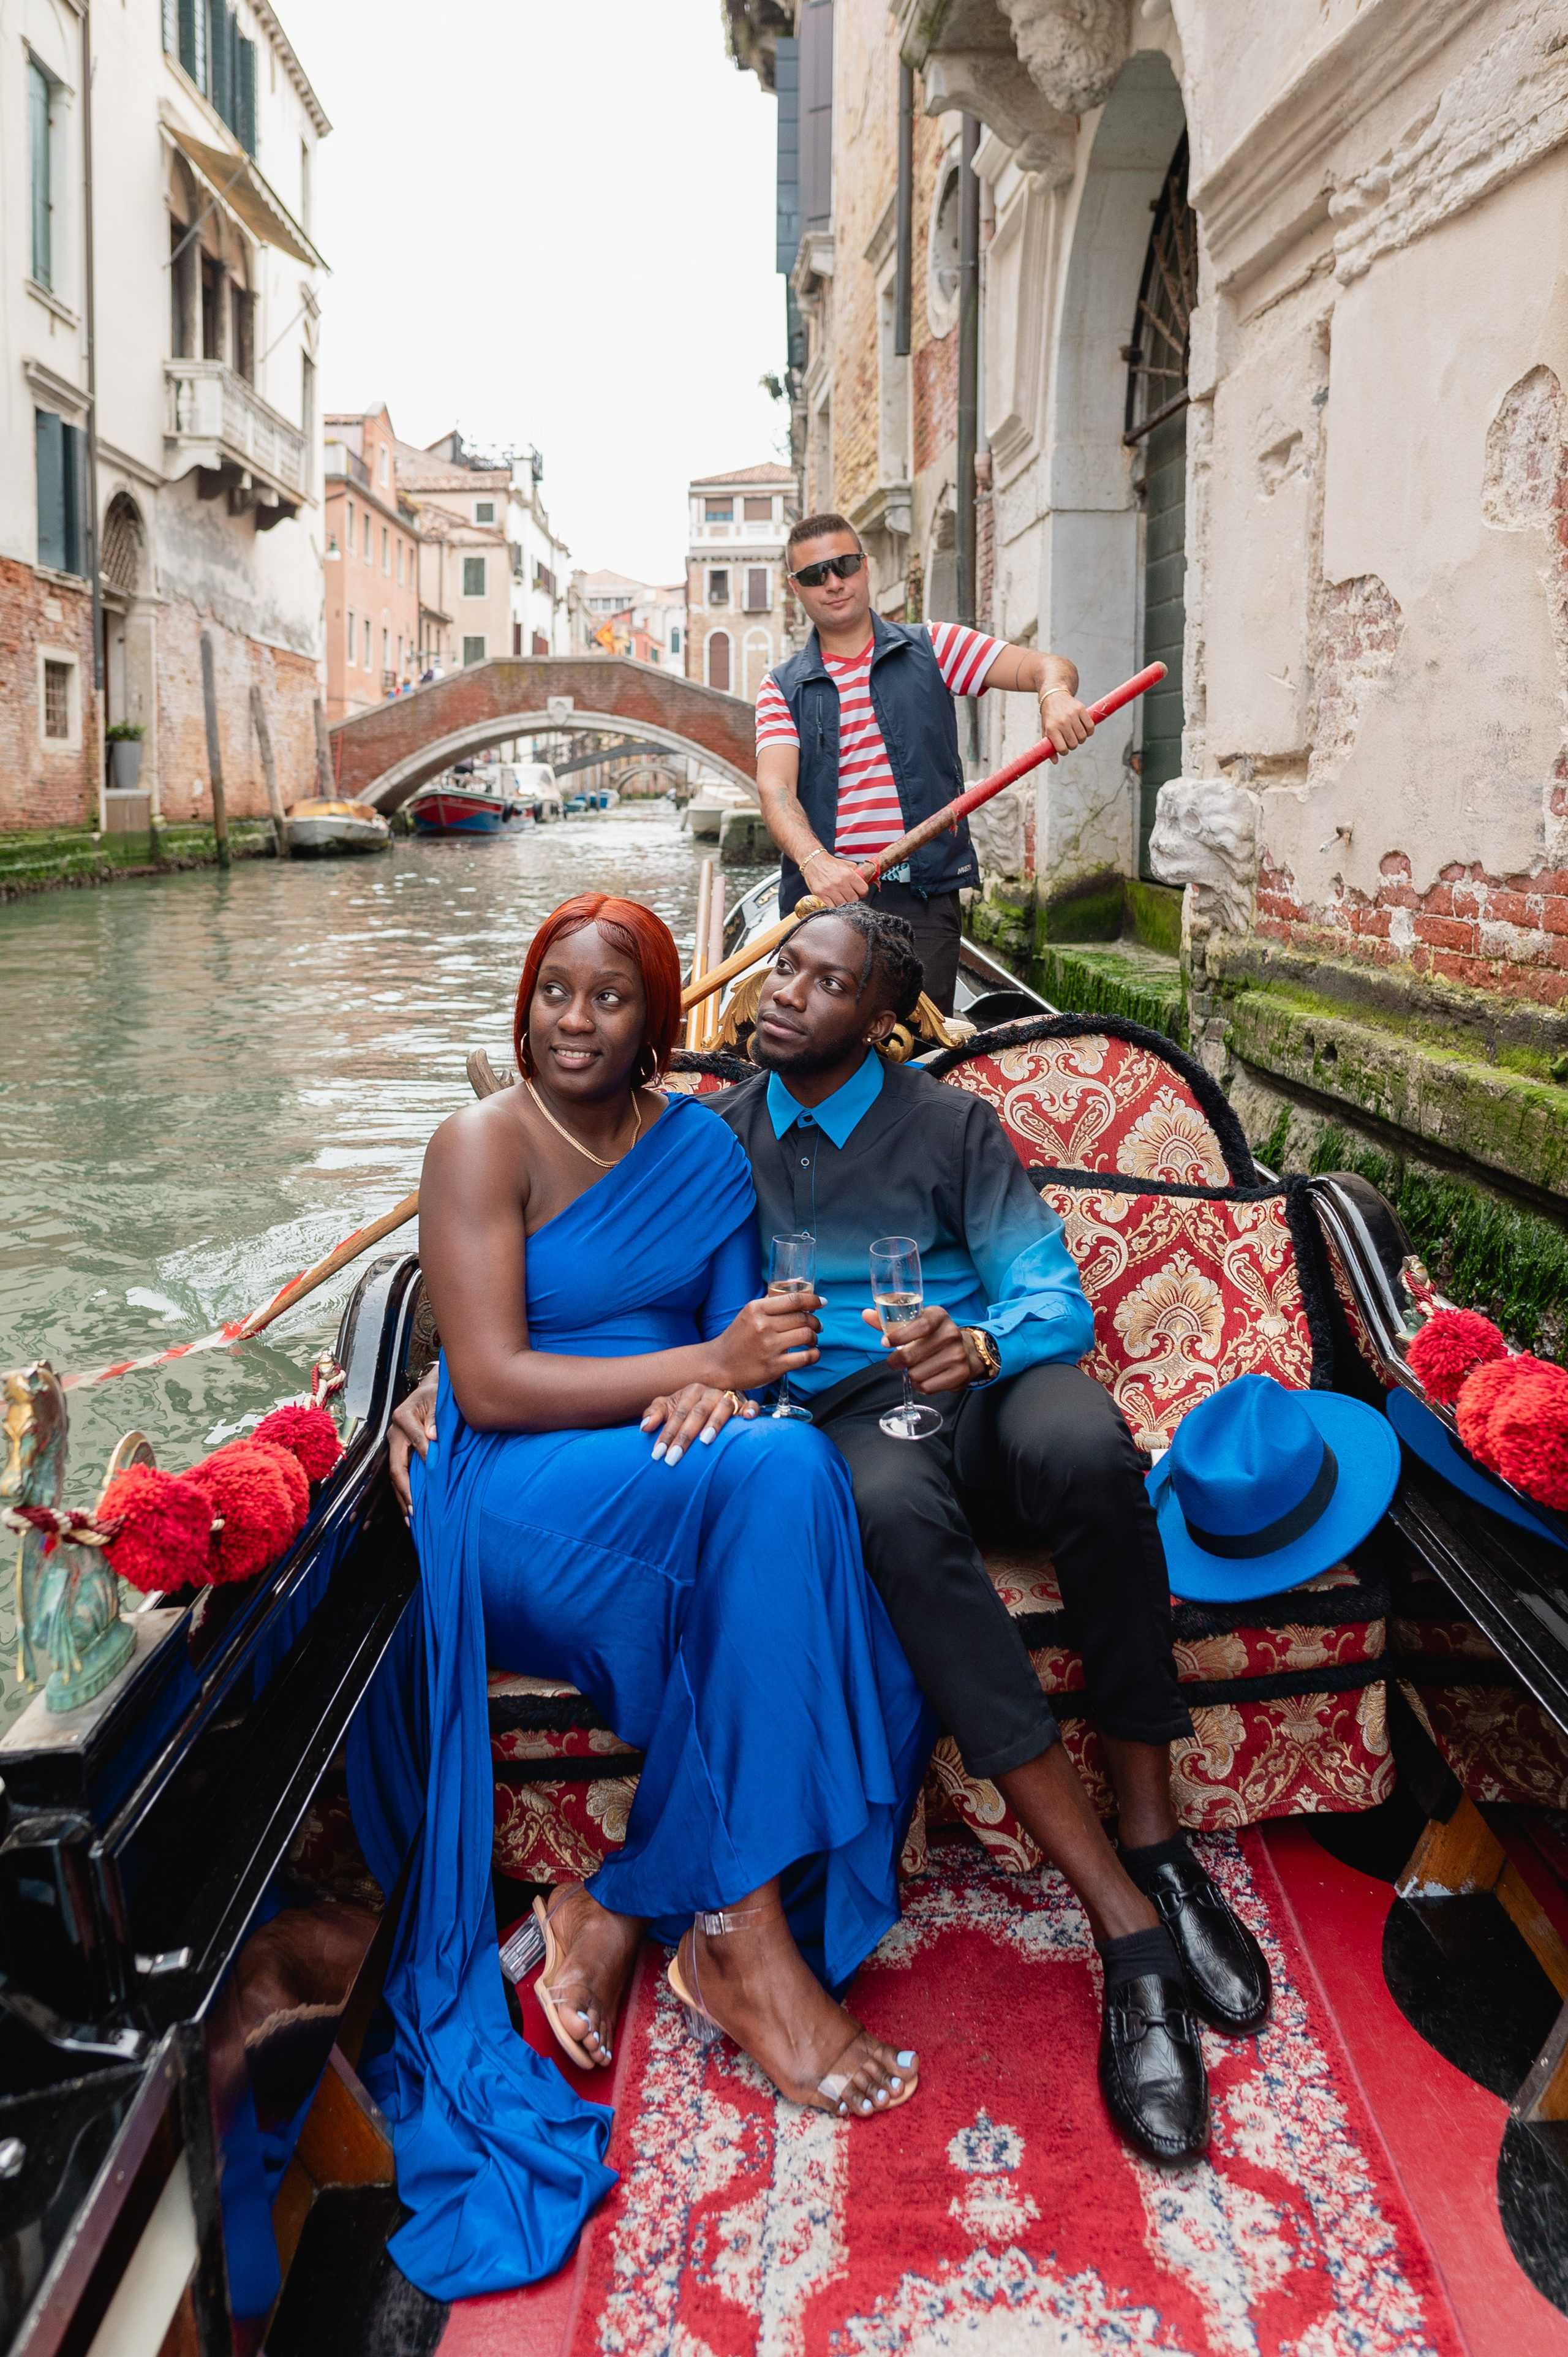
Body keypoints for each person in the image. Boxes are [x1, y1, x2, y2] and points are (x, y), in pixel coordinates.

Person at [358, 892, 933, 2303]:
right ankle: (720, 1933)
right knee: (775, 1475)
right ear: (525, 999)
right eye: (553, 990)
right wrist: (702, 1372)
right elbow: (485, 1378)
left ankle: (668, 1915)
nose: (573, 1019)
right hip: (505, 1486)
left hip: (655, 1461)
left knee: (784, 1467)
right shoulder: (479, 1143)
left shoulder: (702, 1151)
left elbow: (739, 1353)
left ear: (655, 1018)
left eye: (607, 998)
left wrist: (716, 1373)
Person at [752, 515, 1096, 1013]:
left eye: (844, 565)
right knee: (823, 1051)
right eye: (814, 575)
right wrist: (816, 863)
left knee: (913, 1054)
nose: (833, 582)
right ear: (796, 589)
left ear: (864, 569)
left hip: (925, 899)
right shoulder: (780, 688)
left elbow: (1046, 665)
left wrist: (1055, 695)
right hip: (827, 901)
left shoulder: (936, 648)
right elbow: (776, 790)